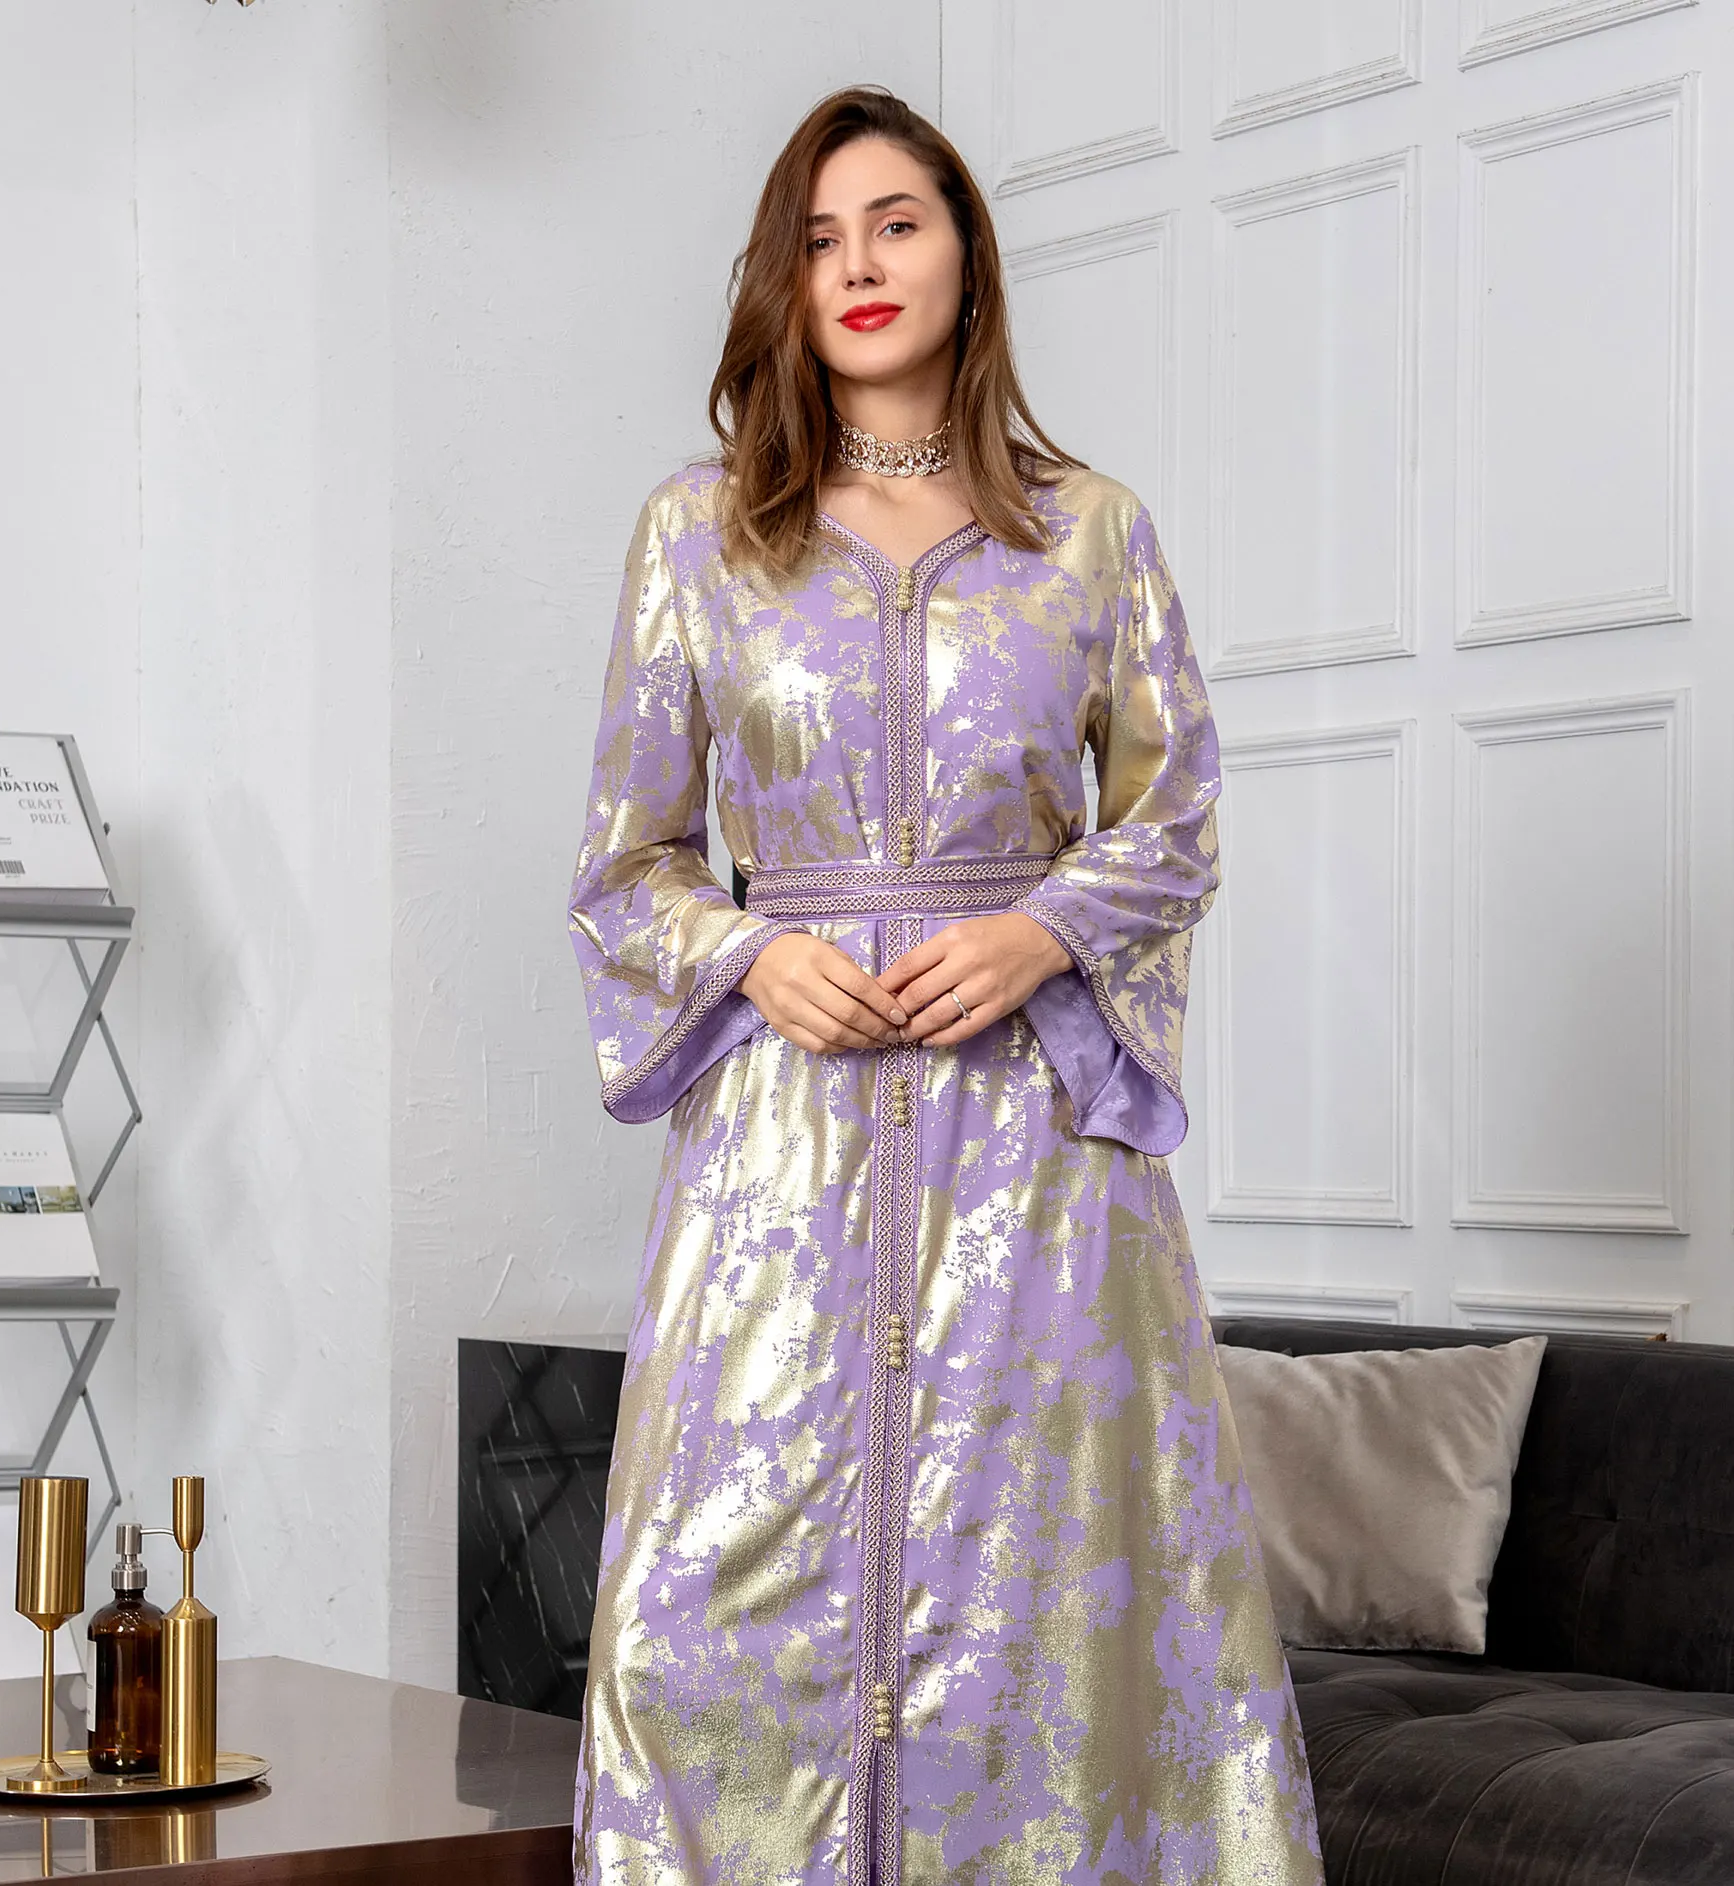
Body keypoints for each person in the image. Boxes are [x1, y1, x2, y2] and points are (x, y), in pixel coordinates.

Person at [567, 84, 1323, 1886]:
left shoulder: (1089, 534)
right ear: (783, 282)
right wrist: (753, 951)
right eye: (819, 238)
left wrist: (1040, 929)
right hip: (778, 1164)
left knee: (1043, 1602)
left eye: (895, 222)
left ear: (965, 254)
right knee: (709, 1613)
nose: (859, 263)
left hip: (1037, 1171)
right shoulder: (699, 537)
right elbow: (625, 863)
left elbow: (1175, 819)